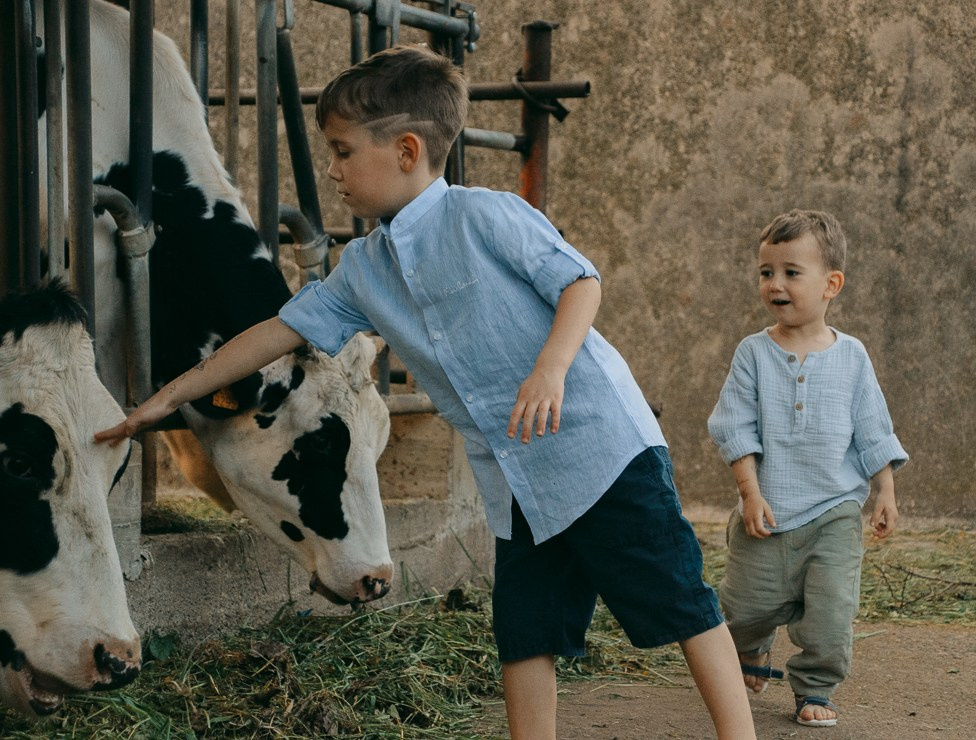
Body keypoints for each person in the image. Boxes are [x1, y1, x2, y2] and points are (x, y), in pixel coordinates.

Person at [96, 44, 756, 739]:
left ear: (407, 149)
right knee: (526, 631)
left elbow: (580, 282)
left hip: (600, 449)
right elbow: (276, 333)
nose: (333, 170)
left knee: (681, 599)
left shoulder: (486, 216)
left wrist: (552, 367)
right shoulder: (364, 269)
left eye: (344, 151)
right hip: (515, 476)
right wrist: (169, 399)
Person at [707, 209, 908, 728]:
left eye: (791, 272)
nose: (775, 284)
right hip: (767, 511)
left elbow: (873, 427)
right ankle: (750, 648)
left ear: (830, 284)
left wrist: (883, 490)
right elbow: (736, 428)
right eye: (766, 272)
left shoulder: (853, 357)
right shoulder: (753, 353)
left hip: (834, 512)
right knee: (743, 606)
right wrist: (749, 493)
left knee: (831, 612)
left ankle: (816, 686)